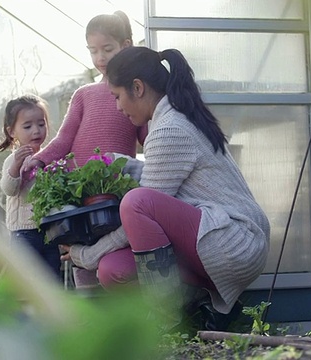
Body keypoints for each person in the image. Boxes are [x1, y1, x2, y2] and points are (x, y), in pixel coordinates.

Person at [60, 46, 271, 331]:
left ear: (137, 88)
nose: (118, 107)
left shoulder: (170, 128)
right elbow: (164, 178)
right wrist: (116, 162)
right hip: (212, 238)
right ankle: (195, 309)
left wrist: (85, 255)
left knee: (136, 203)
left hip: (234, 242)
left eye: (118, 97)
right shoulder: (174, 117)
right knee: (113, 271)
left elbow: (142, 208)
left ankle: (167, 320)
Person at [23, 11, 148, 289]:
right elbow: (63, 140)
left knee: (111, 252)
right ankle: (90, 321)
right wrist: (39, 161)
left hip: (113, 193)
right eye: (93, 51)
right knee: (81, 255)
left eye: (107, 49)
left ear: (125, 46)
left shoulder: (134, 95)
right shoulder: (84, 94)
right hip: (79, 192)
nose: (100, 58)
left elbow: (148, 139)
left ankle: (117, 321)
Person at [0, 94, 62, 281]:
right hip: (23, 233)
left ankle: (50, 309)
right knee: (25, 280)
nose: (36, 131)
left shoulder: (48, 158)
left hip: (49, 231)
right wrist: (17, 167)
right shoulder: (12, 159)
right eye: (27, 126)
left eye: (41, 124)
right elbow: (9, 189)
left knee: (52, 275)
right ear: (11, 132)